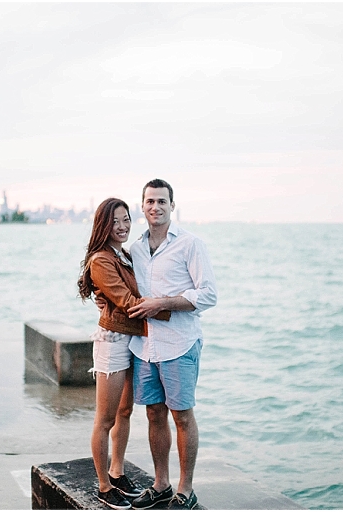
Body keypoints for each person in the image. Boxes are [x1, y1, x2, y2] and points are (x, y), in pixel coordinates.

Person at [126, 179, 218, 510]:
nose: (156, 207)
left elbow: (208, 295)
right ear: (143, 206)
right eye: (150, 201)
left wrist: (161, 303)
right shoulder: (135, 249)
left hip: (180, 344)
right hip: (144, 346)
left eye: (162, 201)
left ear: (172, 206)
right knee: (153, 414)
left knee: (181, 416)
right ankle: (161, 484)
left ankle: (186, 490)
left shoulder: (191, 244)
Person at [78, 197, 171, 510]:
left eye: (126, 220)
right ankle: (104, 487)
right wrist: (170, 310)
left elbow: (137, 288)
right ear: (103, 225)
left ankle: (116, 472)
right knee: (104, 419)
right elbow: (126, 300)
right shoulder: (101, 260)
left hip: (133, 340)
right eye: (115, 221)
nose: (122, 227)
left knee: (125, 412)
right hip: (112, 342)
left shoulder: (125, 254)